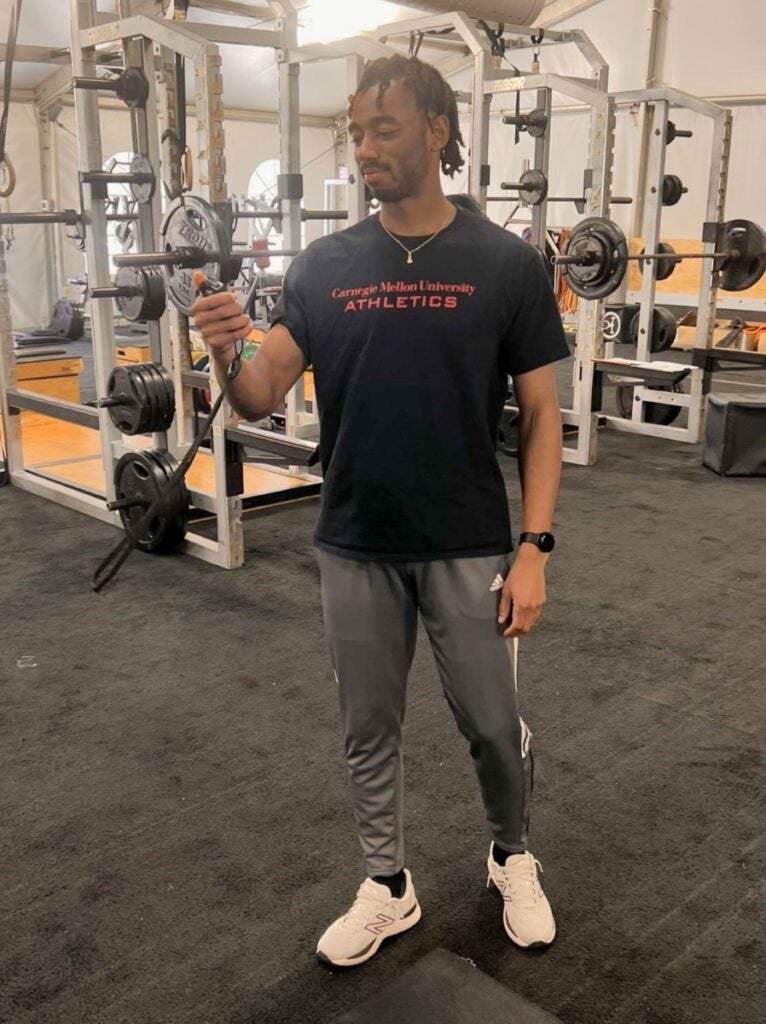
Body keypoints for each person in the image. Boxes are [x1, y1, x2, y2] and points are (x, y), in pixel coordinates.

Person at [192, 54, 570, 969]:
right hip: (354, 538)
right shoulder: (324, 266)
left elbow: (546, 414)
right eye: (357, 132)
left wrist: (535, 548)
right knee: (368, 729)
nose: (363, 148)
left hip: (468, 538)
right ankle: (387, 885)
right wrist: (224, 349)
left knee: (489, 724)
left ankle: (512, 855)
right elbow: (258, 394)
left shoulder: (505, 264)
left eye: (383, 130)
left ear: (437, 131)